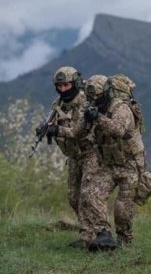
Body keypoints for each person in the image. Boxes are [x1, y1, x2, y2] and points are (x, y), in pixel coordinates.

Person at [56, 74, 144, 250]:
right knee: (89, 194)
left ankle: (125, 241)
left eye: (96, 95)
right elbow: (76, 132)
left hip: (130, 165)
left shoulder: (121, 108)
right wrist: (57, 129)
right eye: (90, 96)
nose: (93, 99)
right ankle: (103, 234)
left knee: (122, 211)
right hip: (109, 164)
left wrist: (98, 118)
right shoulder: (90, 108)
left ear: (106, 93)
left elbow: (118, 130)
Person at [37, 66, 96, 248]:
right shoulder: (59, 104)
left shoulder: (87, 102)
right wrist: (44, 128)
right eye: (59, 86)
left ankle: (97, 235)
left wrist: (58, 130)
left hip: (91, 153)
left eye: (66, 85)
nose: (63, 89)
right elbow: (52, 121)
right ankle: (88, 232)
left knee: (89, 195)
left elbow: (83, 131)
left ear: (75, 83)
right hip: (73, 156)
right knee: (73, 197)